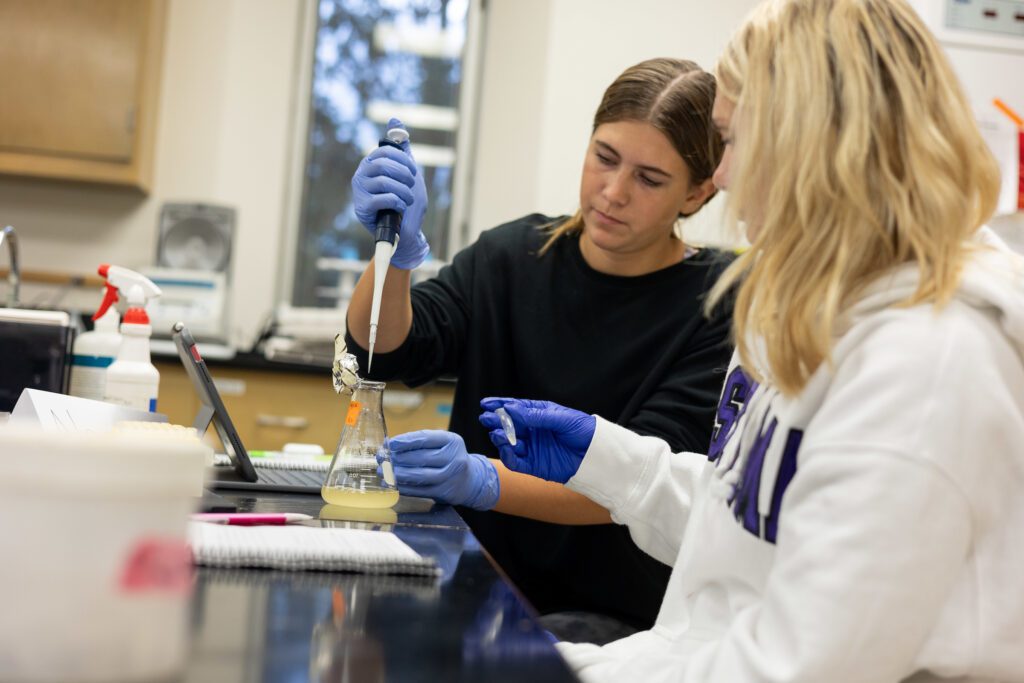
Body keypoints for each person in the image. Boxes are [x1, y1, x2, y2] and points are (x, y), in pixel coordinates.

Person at [469, 0, 1024, 681]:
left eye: (729, 139)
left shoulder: (927, 359)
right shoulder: (812, 303)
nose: (720, 176)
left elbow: (800, 666)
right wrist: (610, 460)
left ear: (808, 143)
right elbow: (745, 521)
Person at [344, 58, 735, 639]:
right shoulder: (511, 257)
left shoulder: (720, 302)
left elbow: (644, 484)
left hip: (618, 616)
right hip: (477, 580)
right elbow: (383, 350)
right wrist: (395, 254)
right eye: (604, 157)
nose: (614, 191)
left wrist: (483, 479)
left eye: (650, 179)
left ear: (699, 191)